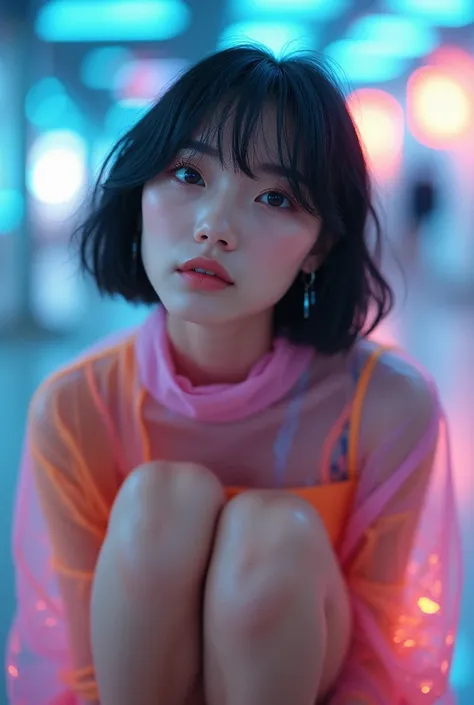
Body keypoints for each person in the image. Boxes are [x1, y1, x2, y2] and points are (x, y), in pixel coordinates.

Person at [7, 45, 461, 705]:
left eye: (274, 196)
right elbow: (80, 669)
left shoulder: (386, 406)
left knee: (272, 535)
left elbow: (382, 663)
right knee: (158, 504)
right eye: (188, 174)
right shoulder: (77, 406)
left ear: (319, 246)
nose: (215, 228)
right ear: (141, 188)